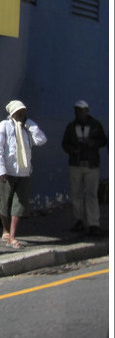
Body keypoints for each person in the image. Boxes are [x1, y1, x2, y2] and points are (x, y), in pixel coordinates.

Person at [0, 100, 47, 250]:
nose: (23, 114)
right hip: (7, 172)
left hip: (23, 172)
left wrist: (30, 123)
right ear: (13, 113)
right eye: (20, 111)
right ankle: (5, 230)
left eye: (24, 111)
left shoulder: (27, 129)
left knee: (19, 204)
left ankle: (12, 236)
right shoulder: (3, 126)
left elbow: (41, 140)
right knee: (3, 203)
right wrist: (0, 170)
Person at [61, 100, 108, 237]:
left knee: (92, 195)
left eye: (81, 110)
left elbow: (103, 141)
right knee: (76, 194)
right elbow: (65, 144)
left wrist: (92, 143)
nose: (78, 113)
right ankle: (79, 220)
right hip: (76, 164)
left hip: (91, 164)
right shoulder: (71, 127)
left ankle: (94, 223)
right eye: (76, 110)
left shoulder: (95, 125)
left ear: (86, 111)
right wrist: (72, 150)